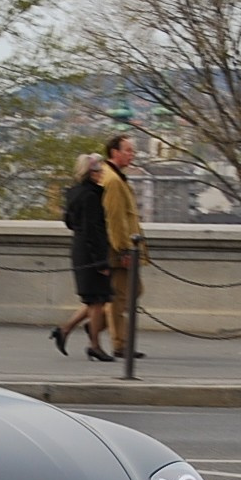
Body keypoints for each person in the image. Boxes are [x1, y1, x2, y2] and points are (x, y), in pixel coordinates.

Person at [50, 153, 115, 361]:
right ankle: (94, 345)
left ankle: (64, 330)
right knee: (96, 300)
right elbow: (93, 230)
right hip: (91, 252)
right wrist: (101, 260)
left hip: (79, 248)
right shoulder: (91, 196)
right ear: (90, 173)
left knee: (94, 299)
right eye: (98, 170)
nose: (101, 173)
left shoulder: (74, 193)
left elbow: (70, 221)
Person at [101, 133, 148, 359]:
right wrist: (124, 249)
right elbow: (115, 219)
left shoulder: (115, 177)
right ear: (115, 152)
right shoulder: (112, 180)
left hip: (125, 246)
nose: (132, 155)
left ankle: (74, 326)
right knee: (120, 296)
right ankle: (120, 344)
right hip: (120, 249)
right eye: (128, 151)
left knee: (130, 292)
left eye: (133, 151)